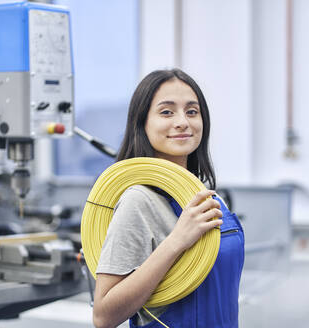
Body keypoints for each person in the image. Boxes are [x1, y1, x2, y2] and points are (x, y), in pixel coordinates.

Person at [92, 69, 245, 328]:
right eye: (167, 112)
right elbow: (103, 317)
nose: (182, 121)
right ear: (142, 123)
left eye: (192, 111)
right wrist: (177, 241)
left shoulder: (208, 197)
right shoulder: (138, 201)